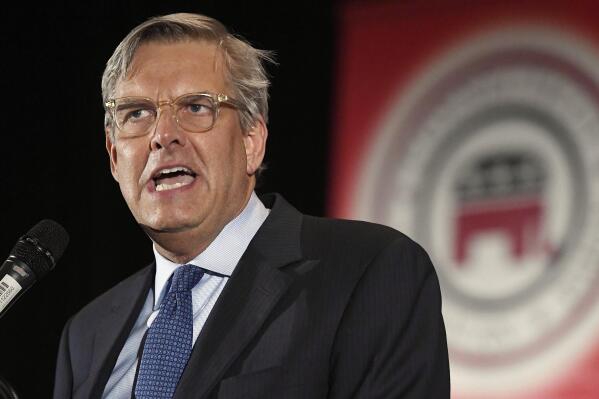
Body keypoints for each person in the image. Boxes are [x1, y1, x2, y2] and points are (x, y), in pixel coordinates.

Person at [53, 12, 450, 399]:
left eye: (196, 107)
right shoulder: (86, 336)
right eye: (137, 113)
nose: (162, 135)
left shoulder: (370, 272)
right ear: (113, 156)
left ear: (251, 141)